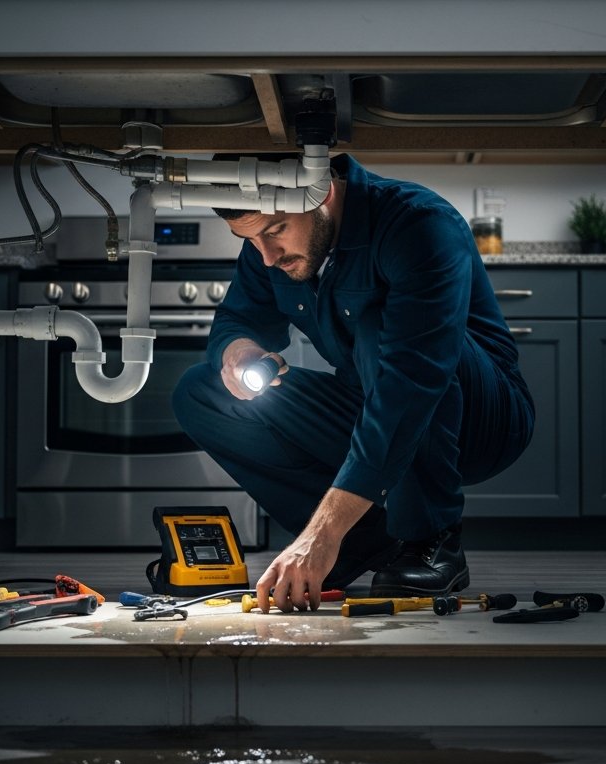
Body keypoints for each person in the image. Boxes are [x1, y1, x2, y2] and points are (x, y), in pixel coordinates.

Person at [171, 152, 534, 613]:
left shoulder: (418, 224)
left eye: (275, 230)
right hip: (371, 406)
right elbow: (239, 318)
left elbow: (411, 382)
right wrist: (239, 351)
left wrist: (322, 532)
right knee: (201, 391)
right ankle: (363, 542)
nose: (267, 255)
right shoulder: (268, 248)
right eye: (249, 239)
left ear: (320, 192)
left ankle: (431, 542)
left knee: (377, 324)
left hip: (481, 420)